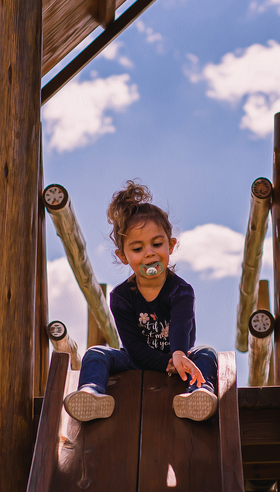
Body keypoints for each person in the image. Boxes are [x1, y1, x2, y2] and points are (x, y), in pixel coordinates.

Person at [63, 180, 218, 423]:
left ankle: (199, 393)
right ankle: (90, 392)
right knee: (96, 353)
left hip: (180, 358)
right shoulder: (122, 297)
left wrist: (177, 356)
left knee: (206, 353)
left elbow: (181, 329)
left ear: (171, 245)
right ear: (123, 256)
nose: (149, 253)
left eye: (157, 244)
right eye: (137, 248)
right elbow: (133, 346)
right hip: (137, 359)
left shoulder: (181, 292)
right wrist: (166, 362)